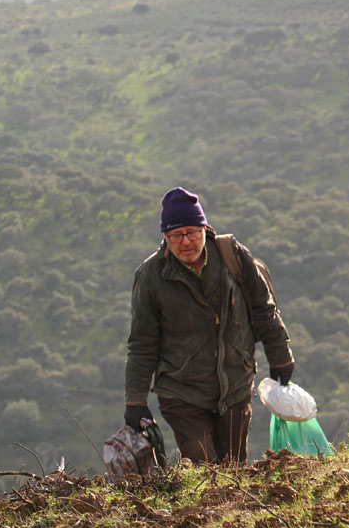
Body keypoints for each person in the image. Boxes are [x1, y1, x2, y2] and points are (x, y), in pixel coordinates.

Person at [124, 186, 294, 464]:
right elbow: (142, 345)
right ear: (165, 237)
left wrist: (281, 357)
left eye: (192, 232)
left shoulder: (233, 257)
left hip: (236, 385)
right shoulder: (151, 276)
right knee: (203, 466)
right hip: (182, 391)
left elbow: (264, 309)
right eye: (175, 235)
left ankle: (233, 509)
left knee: (234, 467)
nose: (186, 242)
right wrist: (135, 402)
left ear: (205, 228)